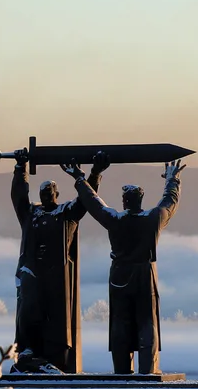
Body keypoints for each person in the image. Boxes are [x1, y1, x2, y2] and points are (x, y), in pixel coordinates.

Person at [63, 153, 184, 375]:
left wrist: (80, 179)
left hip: (119, 275)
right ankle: (148, 369)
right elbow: (170, 202)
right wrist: (171, 180)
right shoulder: (152, 219)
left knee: (120, 323)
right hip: (144, 274)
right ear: (141, 199)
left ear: (124, 201)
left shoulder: (116, 220)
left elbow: (93, 203)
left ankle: (121, 369)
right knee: (147, 323)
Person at [9, 150, 99, 373]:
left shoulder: (66, 213)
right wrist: (20, 169)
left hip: (56, 275)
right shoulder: (31, 214)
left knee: (54, 318)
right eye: (43, 191)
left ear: (57, 193)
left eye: (50, 191)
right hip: (32, 272)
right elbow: (18, 197)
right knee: (29, 312)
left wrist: (94, 174)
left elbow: (86, 201)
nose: (47, 194)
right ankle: (28, 353)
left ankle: (52, 358)